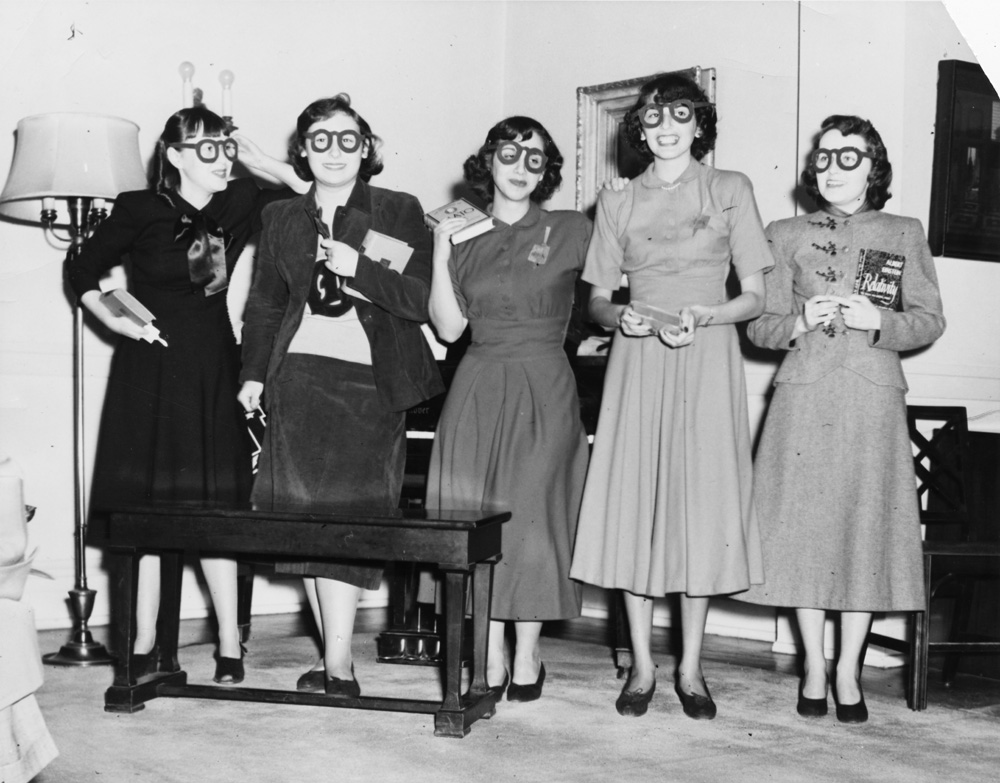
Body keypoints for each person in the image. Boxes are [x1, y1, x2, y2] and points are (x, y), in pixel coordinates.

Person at [67, 105, 307, 684]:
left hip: (212, 369)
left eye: (225, 147)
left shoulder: (243, 201)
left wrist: (260, 159)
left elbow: (314, 200)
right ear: (174, 156)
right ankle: (147, 642)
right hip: (147, 371)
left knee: (215, 512)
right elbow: (82, 267)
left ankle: (230, 644)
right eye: (208, 149)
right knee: (150, 513)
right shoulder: (138, 209)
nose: (221, 158)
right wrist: (112, 314)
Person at [569, 72, 772, 720]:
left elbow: (756, 297)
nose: (664, 127)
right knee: (637, 507)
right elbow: (597, 298)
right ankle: (643, 665)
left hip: (705, 353)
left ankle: (690, 665)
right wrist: (617, 317)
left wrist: (706, 317)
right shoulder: (618, 198)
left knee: (697, 509)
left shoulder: (730, 188)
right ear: (640, 128)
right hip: (639, 358)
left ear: (698, 123)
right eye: (653, 117)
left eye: (678, 115)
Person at [734, 115, 945, 724]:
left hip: (873, 395)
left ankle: (848, 669)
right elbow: (760, 324)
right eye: (823, 158)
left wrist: (877, 322)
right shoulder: (784, 231)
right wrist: (798, 322)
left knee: (863, 535)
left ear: (872, 166)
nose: (831, 168)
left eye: (846, 158)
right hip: (803, 397)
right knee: (804, 535)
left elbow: (929, 319)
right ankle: (814, 666)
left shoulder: (903, 231)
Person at [237, 94, 443, 697]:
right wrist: (253, 376)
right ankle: (334, 660)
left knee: (351, 522)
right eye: (319, 139)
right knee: (301, 522)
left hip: (371, 383)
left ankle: (338, 666)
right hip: (296, 376)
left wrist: (355, 261)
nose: (334, 150)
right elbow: (266, 305)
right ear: (303, 150)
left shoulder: (398, 209)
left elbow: (415, 299)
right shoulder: (279, 218)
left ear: (367, 148)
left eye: (347, 139)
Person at [425, 116, 590, 702]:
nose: (520, 168)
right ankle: (487, 653)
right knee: (475, 518)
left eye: (535, 160)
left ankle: (528, 652)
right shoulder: (460, 234)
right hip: (478, 384)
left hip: (545, 386)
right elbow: (448, 328)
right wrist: (441, 249)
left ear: (546, 173)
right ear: (488, 162)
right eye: (510, 155)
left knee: (532, 521)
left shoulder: (572, 228)